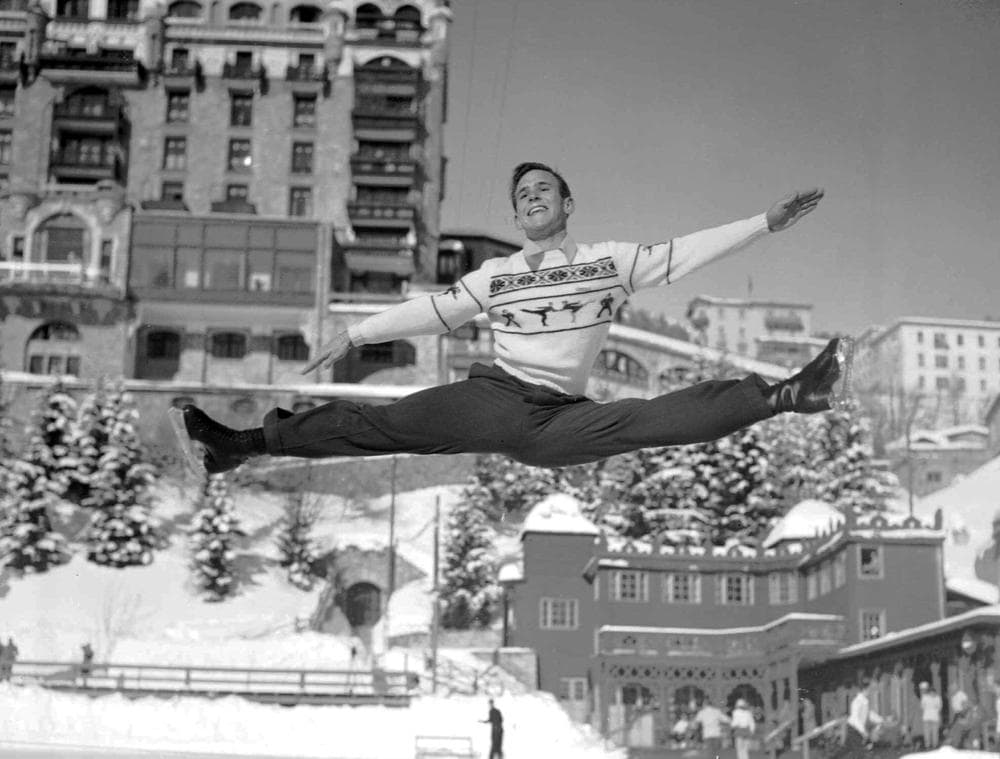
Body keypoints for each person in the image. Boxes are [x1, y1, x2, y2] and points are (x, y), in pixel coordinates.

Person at [172, 162, 836, 476]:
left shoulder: (612, 262)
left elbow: (685, 253)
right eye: (522, 196)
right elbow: (435, 311)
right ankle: (241, 446)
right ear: (518, 218)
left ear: (568, 202)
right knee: (382, 422)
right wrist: (357, 330)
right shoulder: (498, 276)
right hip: (497, 397)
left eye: (543, 188)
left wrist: (764, 223)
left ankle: (787, 394)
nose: (531, 197)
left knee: (646, 420)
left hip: (560, 418)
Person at [834, 679, 881, 759]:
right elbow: (855, 719)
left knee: (846, 749)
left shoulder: (865, 701)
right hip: (854, 729)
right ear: (866, 689)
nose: (872, 691)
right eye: (871, 689)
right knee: (860, 754)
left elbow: (868, 714)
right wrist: (863, 731)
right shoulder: (857, 701)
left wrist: (880, 719)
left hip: (857, 729)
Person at [918, 681, 942, 749]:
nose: (932, 693)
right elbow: (939, 707)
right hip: (930, 717)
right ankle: (931, 745)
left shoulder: (928, 697)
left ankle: (931, 745)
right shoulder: (934, 697)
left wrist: (929, 709)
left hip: (931, 717)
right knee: (930, 732)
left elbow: (922, 706)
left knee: (931, 732)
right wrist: (933, 709)